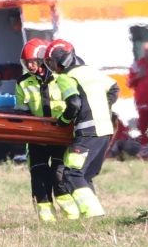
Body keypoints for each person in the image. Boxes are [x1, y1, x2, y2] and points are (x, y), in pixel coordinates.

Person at [46, 39, 115, 219]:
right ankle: (93, 220)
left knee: (72, 173)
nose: (51, 68)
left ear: (60, 61)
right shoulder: (92, 71)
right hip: (105, 130)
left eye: (50, 63)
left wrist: (63, 120)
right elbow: (114, 88)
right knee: (86, 174)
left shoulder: (65, 77)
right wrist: (102, 109)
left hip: (87, 131)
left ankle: (93, 214)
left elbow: (74, 103)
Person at [16, 39, 60, 222]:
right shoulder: (22, 83)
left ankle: (71, 214)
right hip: (36, 135)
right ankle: (46, 215)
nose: (30, 66)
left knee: (60, 173)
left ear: (42, 59)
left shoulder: (60, 77)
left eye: (33, 61)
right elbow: (22, 112)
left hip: (60, 134)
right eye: (27, 63)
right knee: (38, 173)